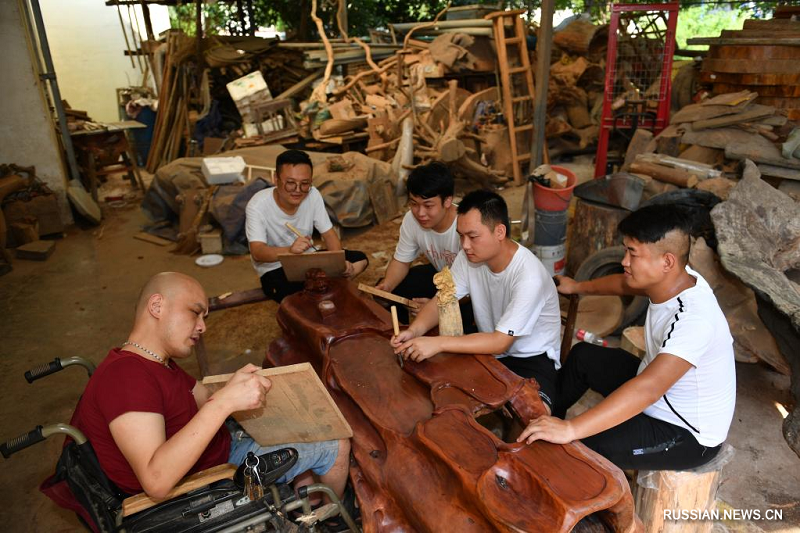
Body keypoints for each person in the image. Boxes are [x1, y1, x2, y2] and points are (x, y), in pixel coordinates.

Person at [70, 272, 351, 500]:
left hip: (217, 449)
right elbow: (156, 480)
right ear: (157, 307)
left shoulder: (155, 362)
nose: (203, 327)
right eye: (195, 313)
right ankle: (332, 520)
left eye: (204, 317)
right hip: (208, 478)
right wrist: (226, 402)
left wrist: (234, 386)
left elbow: (202, 396)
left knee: (298, 423)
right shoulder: (126, 377)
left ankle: (309, 500)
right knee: (336, 442)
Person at [517, 204, 736, 471]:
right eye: (626, 250)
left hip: (685, 432)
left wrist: (572, 429)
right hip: (659, 392)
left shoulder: (694, 319)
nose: (624, 261)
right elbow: (624, 283)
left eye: (633, 253)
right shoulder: (678, 278)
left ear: (667, 261)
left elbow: (648, 389)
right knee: (584, 357)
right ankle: (545, 421)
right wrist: (578, 286)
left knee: (584, 449)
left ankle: (572, 486)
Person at [390, 190, 562, 412]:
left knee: (533, 417)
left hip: (530, 358)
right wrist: (414, 331)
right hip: (489, 350)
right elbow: (443, 299)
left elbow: (502, 341)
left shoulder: (528, 276)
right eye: (461, 236)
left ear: (500, 231)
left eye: (473, 236)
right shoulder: (469, 258)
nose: (465, 245)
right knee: (434, 393)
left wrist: (438, 342)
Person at [245, 149, 368, 302]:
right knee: (297, 292)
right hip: (276, 267)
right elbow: (258, 252)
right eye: (290, 183)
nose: (298, 190)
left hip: (308, 258)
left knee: (359, 260)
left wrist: (337, 263)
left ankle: (328, 285)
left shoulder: (313, 194)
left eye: (305, 184)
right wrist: (289, 251)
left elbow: (329, 234)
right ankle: (325, 289)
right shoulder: (257, 206)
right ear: (275, 179)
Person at [375, 162, 460, 321]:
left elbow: (478, 286)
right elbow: (401, 261)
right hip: (443, 276)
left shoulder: (466, 226)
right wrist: (387, 287)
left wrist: (439, 305)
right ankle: (402, 332)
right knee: (395, 289)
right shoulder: (411, 220)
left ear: (447, 201)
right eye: (414, 204)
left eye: (428, 205)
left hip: (472, 289)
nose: (420, 213)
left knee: (454, 318)